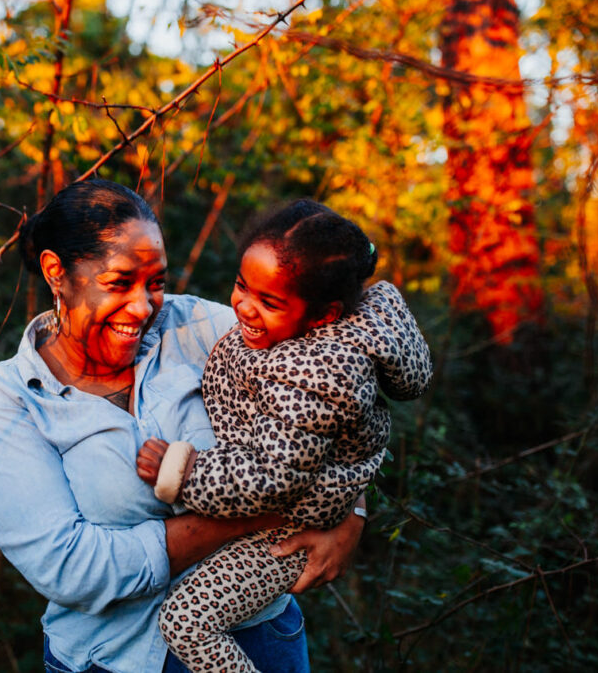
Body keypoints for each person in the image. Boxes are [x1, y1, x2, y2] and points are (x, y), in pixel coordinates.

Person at [0, 180, 366, 673]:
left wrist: (352, 516)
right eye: (119, 283)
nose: (143, 306)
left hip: (257, 640)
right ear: (57, 272)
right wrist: (255, 516)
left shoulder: (203, 328)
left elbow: (338, 391)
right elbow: (73, 570)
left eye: (155, 282)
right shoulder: (9, 399)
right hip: (110, 659)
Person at [136, 200, 433, 672]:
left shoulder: (315, 372)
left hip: (287, 527)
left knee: (188, 621)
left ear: (322, 315)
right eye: (241, 285)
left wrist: (183, 472)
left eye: (269, 302)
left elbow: (273, 479)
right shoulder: (290, 334)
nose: (243, 307)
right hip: (279, 507)